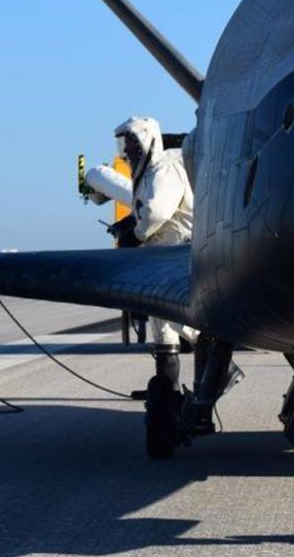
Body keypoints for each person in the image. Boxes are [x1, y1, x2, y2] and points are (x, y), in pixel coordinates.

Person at [107, 117, 198, 389]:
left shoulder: (165, 169)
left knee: (189, 327)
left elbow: (155, 213)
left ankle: (216, 376)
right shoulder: (149, 173)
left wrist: (133, 234)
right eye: (125, 142)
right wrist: (128, 224)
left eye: (132, 141)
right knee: (164, 334)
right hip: (161, 261)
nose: (127, 149)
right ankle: (166, 389)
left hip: (177, 259)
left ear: (148, 139)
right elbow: (144, 211)